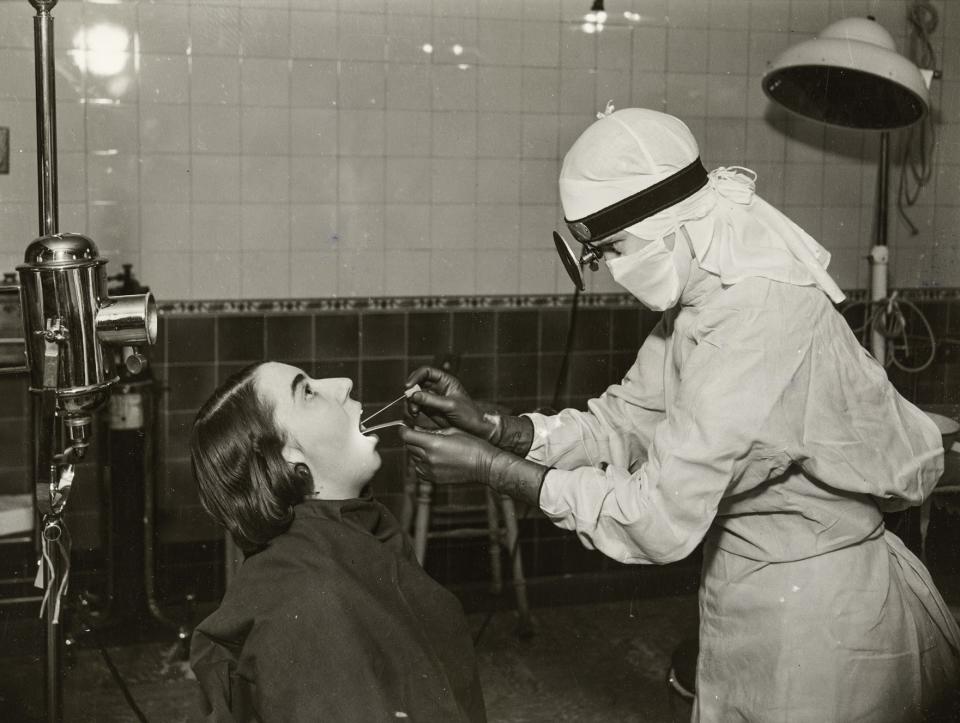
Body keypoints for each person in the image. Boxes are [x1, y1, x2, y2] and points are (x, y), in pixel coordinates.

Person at [401, 107, 960, 722]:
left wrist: (493, 469)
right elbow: (627, 420)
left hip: (822, 616)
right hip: (748, 586)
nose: (610, 269)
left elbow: (657, 516)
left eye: (610, 249)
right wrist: (496, 427)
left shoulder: (756, 315)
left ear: (665, 222)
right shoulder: (702, 297)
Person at [189, 362, 486, 722]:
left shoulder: (358, 532)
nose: (345, 383)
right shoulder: (308, 603)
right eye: (308, 392)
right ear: (286, 457)